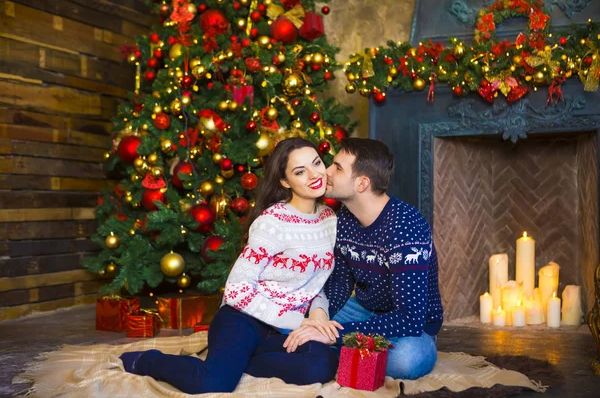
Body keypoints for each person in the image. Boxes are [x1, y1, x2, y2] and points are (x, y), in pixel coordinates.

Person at [120, 138, 342, 394]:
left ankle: (239, 361)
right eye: (299, 171)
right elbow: (237, 291)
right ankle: (147, 360)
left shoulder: (329, 219)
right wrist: (300, 323)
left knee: (321, 365)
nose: (314, 175)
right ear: (284, 182)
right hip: (243, 319)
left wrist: (318, 316)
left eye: (317, 163)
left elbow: (317, 283)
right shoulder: (272, 223)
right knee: (213, 382)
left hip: (280, 330)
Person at [284, 138, 443, 380]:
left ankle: (334, 352)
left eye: (337, 167)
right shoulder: (345, 219)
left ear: (362, 183)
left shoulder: (406, 227)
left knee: (404, 362)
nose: (325, 171)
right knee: (296, 319)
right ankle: (351, 353)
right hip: (364, 311)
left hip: (412, 328)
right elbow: (338, 286)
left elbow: (409, 320)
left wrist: (333, 335)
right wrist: (320, 321)